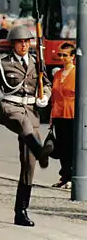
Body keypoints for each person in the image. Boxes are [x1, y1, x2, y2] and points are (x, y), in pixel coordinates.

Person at [0, 26, 52, 227]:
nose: (24, 45)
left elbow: (47, 84)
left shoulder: (37, 62)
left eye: (27, 41)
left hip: (31, 111)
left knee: (29, 164)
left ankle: (21, 211)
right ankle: (40, 150)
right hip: (11, 108)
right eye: (20, 42)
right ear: (13, 44)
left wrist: (46, 96)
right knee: (24, 125)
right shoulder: (2, 65)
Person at [51, 42, 76, 189]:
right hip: (58, 115)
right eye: (60, 54)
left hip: (72, 115)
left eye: (65, 55)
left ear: (72, 57)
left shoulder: (78, 73)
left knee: (71, 147)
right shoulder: (58, 74)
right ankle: (64, 176)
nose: (61, 57)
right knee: (61, 147)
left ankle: (72, 177)